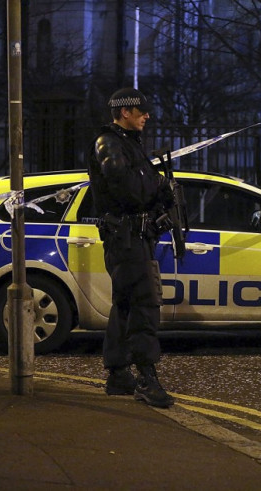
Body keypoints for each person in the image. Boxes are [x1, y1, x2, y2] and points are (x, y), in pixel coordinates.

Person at [88, 87, 175, 407]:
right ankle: (146, 379)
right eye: (142, 111)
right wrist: (160, 185)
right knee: (144, 304)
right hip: (127, 238)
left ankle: (118, 374)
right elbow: (132, 191)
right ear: (125, 112)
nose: (147, 116)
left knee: (124, 305)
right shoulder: (109, 144)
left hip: (130, 238)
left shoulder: (127, 144)